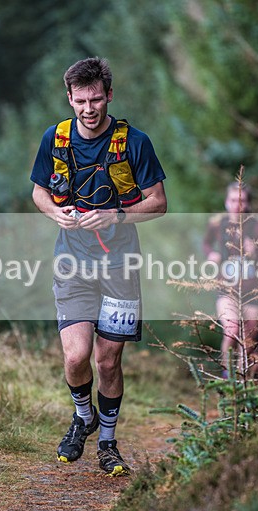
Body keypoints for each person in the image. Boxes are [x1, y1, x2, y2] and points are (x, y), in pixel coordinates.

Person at [29, 57, 168, 476]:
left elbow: (159, 203)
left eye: (96, 99)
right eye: (81, 101)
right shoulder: (55, 138)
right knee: (76, 358)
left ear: (109, 95)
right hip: (71, 262)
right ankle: (82, 417)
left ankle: (107, 443)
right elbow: (38, 193)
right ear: (69, 99)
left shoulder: (135, 142)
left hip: (120, 265)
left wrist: (117, 216)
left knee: (108, 363)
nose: (89, 108)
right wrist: (57, 215)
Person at [203, 182, 258, 378]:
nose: (238, 205)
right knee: (231, 329)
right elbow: (206, 243)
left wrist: (255, 252)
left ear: (248, 203)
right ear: (227, 202)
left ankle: (242, 383)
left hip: (253, 292)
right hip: (227, 290)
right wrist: (211, 254)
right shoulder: (218, 224)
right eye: (234, 200)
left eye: (242, 201)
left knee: (247, 340)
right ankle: (227, 378)